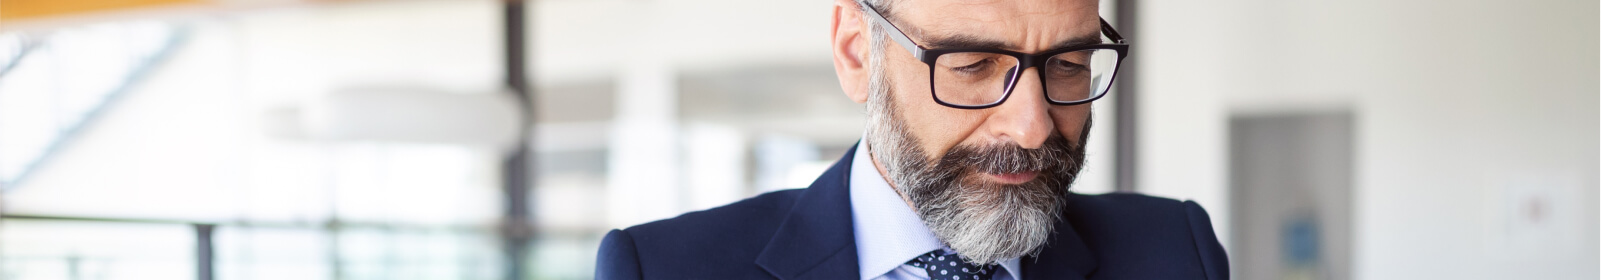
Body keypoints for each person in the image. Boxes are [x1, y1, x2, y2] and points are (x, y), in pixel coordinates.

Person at [595, 0, 1228, 278]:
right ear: (855, 52)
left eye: (1067, 63)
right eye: (972, 66)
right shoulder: (666, 270)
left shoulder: (1176, 254)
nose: (1032, 126)